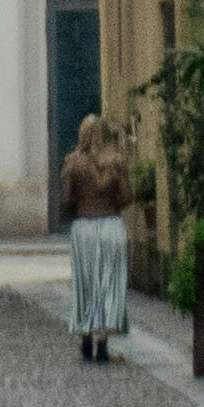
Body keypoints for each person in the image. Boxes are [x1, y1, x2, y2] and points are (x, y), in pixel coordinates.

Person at [55, 114, 137, 362]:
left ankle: (85, 339)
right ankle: (103, 345)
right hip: (111, 226)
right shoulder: (116, 161)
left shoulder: (71, 162)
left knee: (85, 284)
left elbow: (67, 199)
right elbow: (126, 197)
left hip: (83, 229)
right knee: (109, 285)